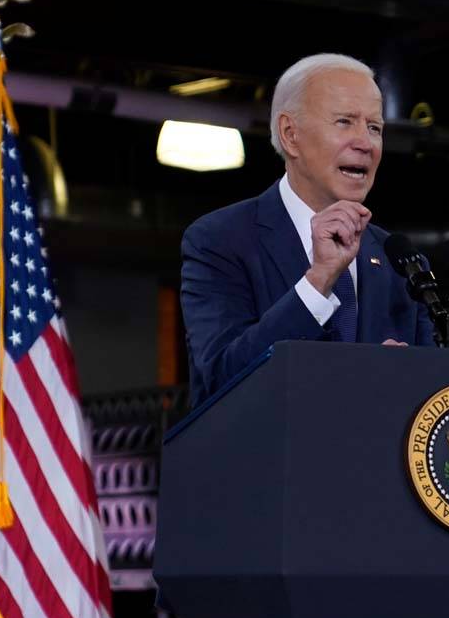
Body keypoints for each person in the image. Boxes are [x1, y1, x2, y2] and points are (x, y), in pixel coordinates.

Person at [180, 53, 434, 408]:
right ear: (291, 135)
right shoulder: (220, 240)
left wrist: (408, 378)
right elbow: (222, 378)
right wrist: (318, 281)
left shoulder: (400, 260)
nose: (366, 142)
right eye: (345, 122)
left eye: (374, 127)